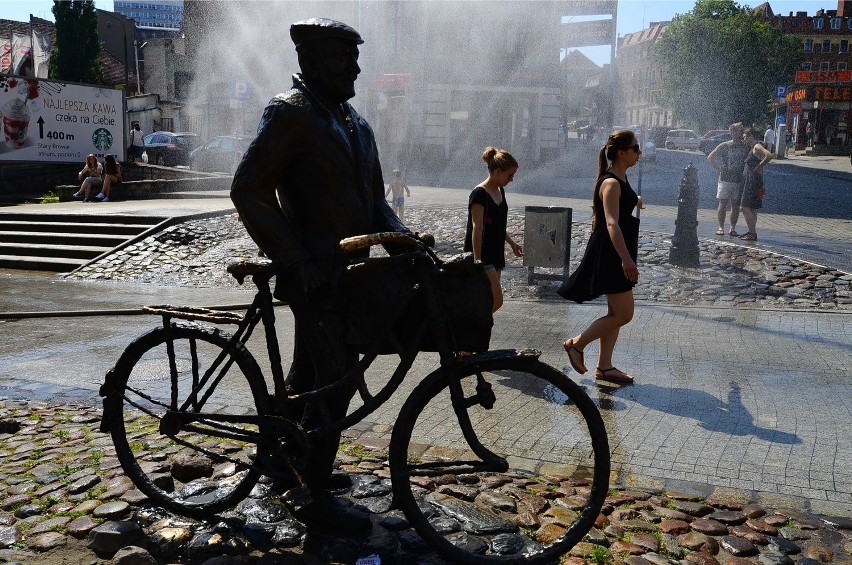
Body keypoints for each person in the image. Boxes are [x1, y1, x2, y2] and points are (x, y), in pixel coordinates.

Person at [230, 18, 411, 535]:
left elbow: (376, 203)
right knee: (338, 381)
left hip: (352, 277)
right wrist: (293, 258)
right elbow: (249, 190)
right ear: (310, 59)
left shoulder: (355, 123)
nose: (354, 68)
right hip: (312, 275)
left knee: (308, 377)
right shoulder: (290, 113)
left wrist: (404, 237)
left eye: (356, 57)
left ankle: (279, 459)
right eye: (342, 57)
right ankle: (310, 493)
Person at [557, 130, 644, 384]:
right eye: (636, 148)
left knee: (614, 312)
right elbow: (611, 223)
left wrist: (635, 200)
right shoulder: (611, 182)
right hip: (611, 254)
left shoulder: (619, 180)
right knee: (624, 314)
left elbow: (618, 203)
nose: (640, 153)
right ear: (621, 152)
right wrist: (626, 260)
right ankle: (577, 344)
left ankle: (604, 367)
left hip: (615, 252)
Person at [463, 147, 524, 313]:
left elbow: (497, 225)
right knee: (497, 300)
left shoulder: (500, 191)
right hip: (483, 255)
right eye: (509, 175)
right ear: (498, 171)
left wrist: (512, 243)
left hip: (496, 253)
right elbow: (477, 227)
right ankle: (472, 327)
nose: (511, 179)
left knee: (487, 299)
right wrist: (476, 260)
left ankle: (476, 331)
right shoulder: (479, 194)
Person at [707, 122, 749, 237]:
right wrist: (718, 168)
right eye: (734, 131)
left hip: (739, 179)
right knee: (723, 203)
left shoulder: (745, 146)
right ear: (730, 132)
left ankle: (732, 228)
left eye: (739, 131)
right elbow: (710, 157)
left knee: (735, 205)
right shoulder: (724, 145)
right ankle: (720, 227)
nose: (736, 133)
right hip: (725, 179)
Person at [738, 127, 773, 241]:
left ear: (750, 136)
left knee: (744, 207)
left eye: (744, 137)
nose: (743, 140)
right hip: (754, 180)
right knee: (752, 208)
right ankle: (751, 232)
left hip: (752, 181)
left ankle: (752, 233)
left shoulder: (757, 146)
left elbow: (769, 155)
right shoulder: (753, 147)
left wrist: (760, 165)